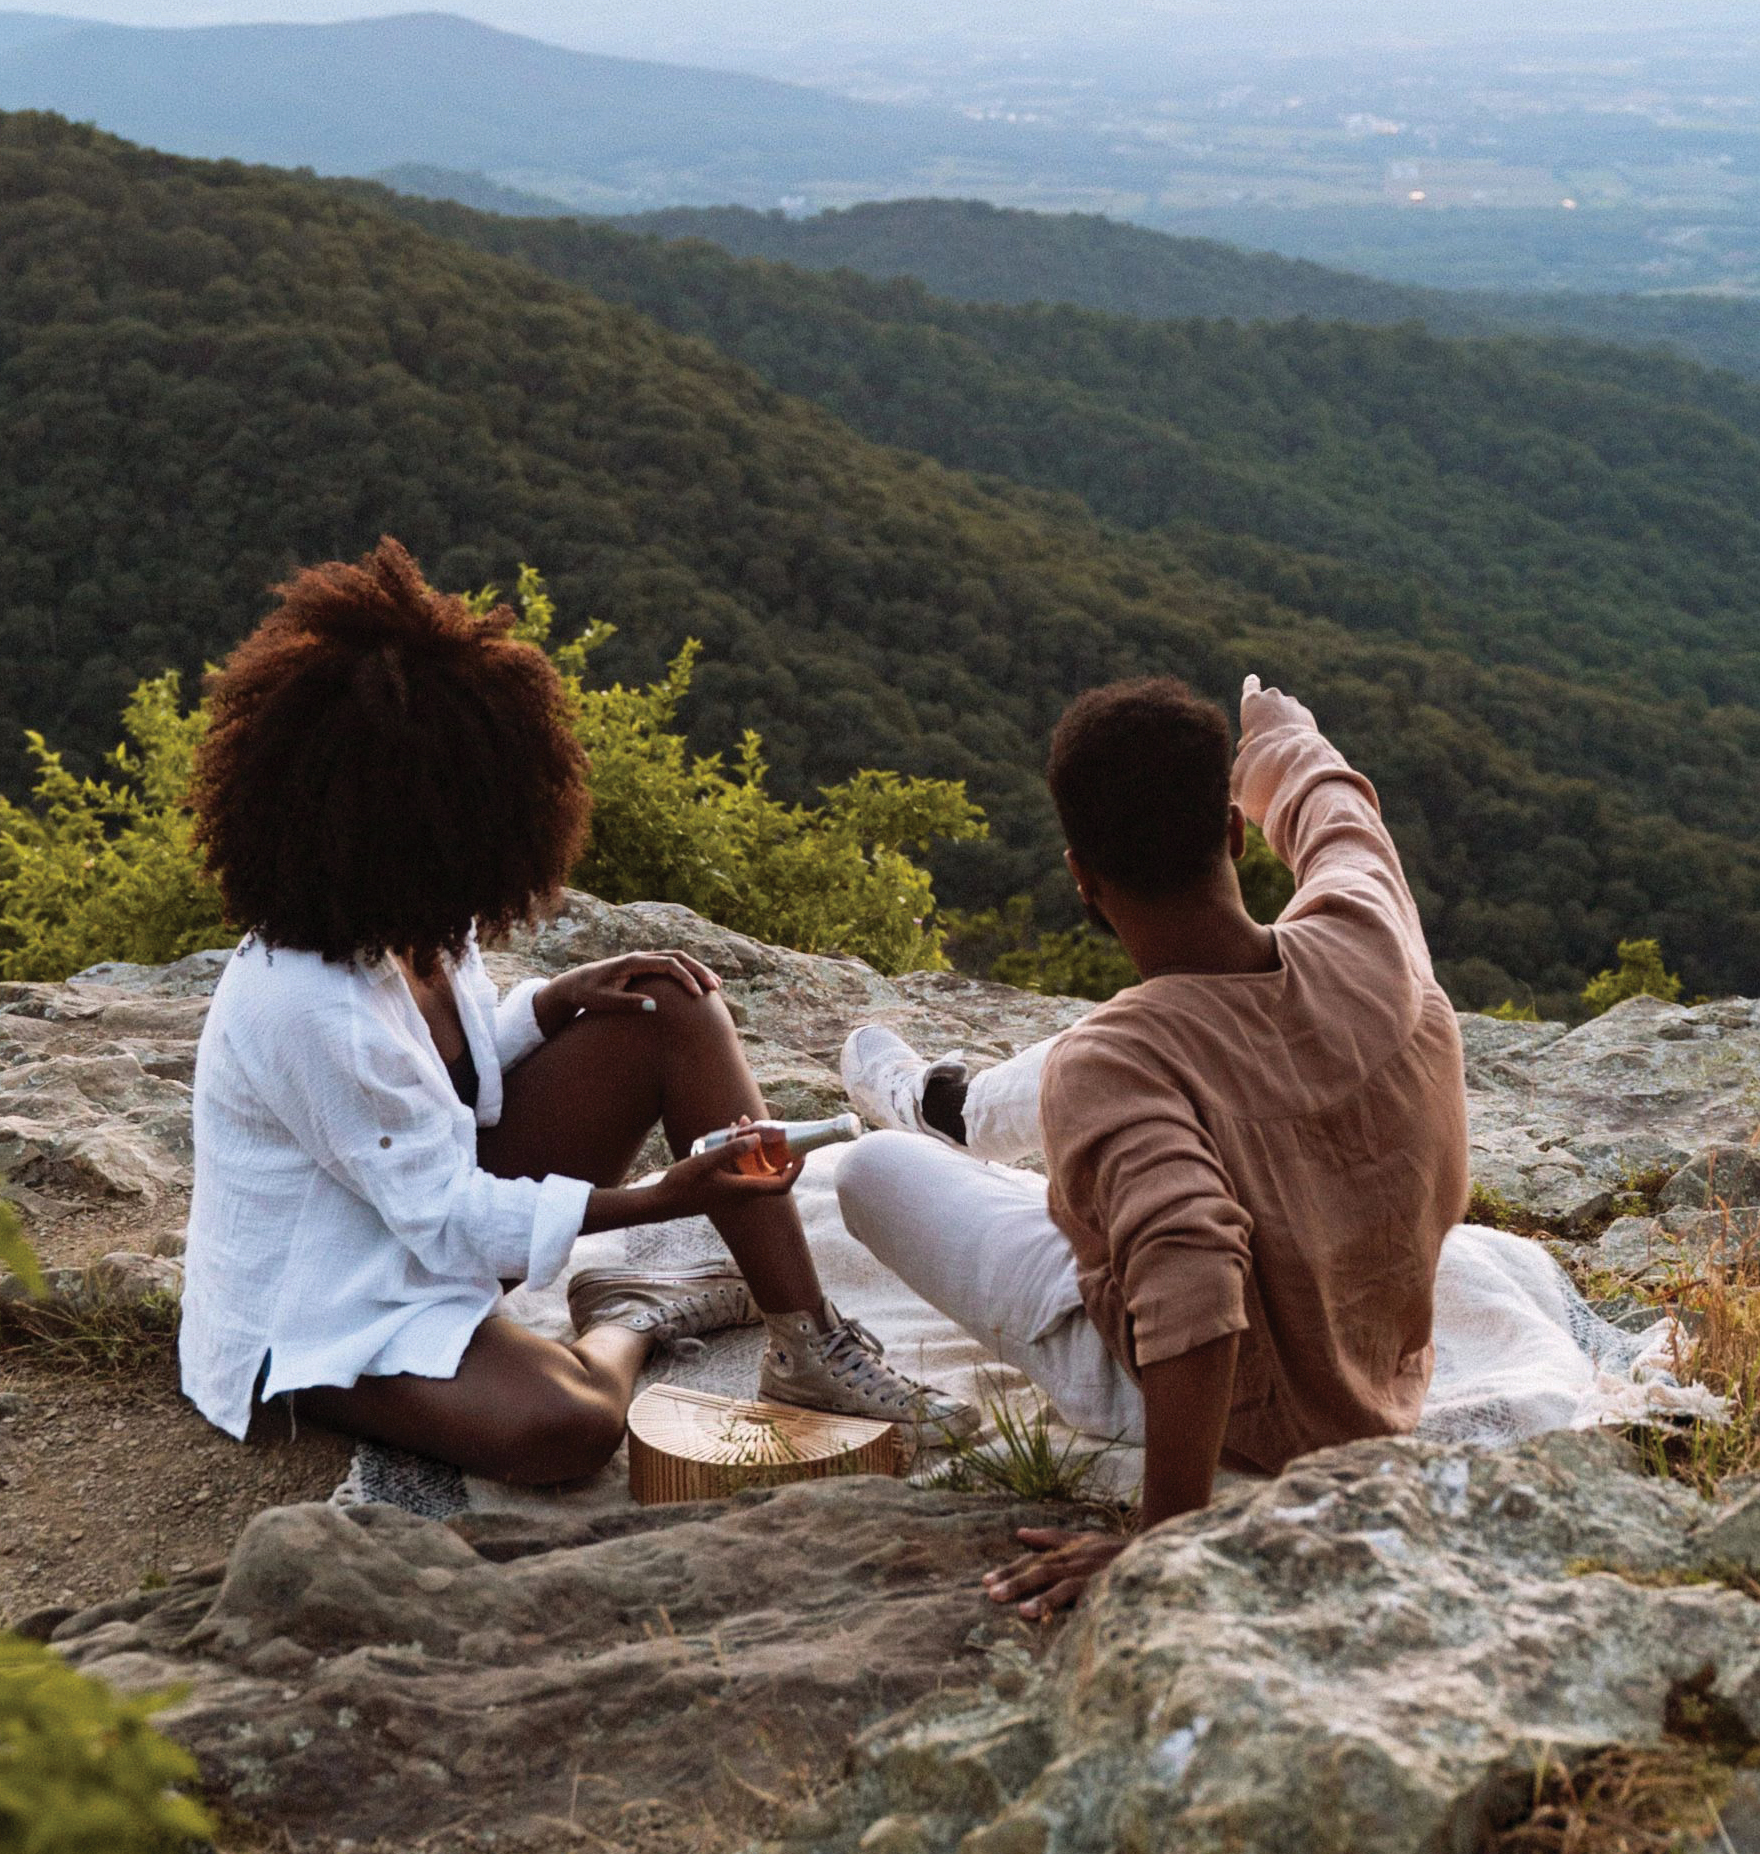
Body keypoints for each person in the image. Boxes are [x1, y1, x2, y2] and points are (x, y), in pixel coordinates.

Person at [177, 537, 955, 1483]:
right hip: (328, 1305)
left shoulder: (413, 916)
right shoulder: (308, 1003)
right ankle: (635, 1313)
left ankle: (807, 1344)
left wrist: (550, 1004)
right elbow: (442, 1217)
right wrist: (660, 1201)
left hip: (425, 1224)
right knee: (570, 1427)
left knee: (668, 1003)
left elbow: (442, 1079)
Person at [834, 673, 1469, 1616]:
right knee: (1123, 1061)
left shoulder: (1114, 1063)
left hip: (1224, 1421)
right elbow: (1342, 826)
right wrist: (1282, 740)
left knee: (871, 1170)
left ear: (1080, 879)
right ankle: (954, 1113)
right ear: (1231, 837)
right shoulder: (1366, 933)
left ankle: (942, 1117)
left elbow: (1194, 1276)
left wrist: (1163, 1538)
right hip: (1371, 1363)